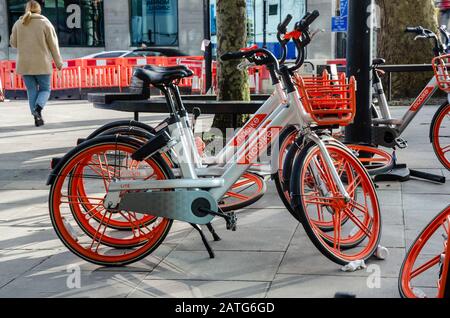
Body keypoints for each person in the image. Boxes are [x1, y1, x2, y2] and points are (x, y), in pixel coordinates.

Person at [10, 0, 63, 127]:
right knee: (45, 89)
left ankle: (35, 116)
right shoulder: (45, 23)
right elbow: (53, 45)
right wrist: (58, 63)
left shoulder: (19, 23)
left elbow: (13, 43)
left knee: (31, 90)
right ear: (39, 9)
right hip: (42, 64)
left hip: (25, 65)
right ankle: (38, 109)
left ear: (26, 9)